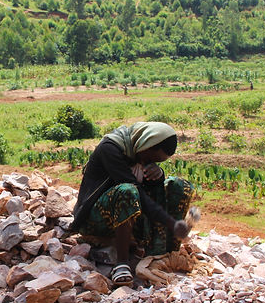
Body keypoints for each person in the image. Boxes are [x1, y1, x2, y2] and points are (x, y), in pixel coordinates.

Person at [71, 121, 195, 286]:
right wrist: (170, 222)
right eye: (150, 159)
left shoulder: (139, 153)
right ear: (145, 143)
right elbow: (135, 191)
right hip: (95, 218)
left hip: (129, 215)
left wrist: (157, 176)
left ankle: (164, 253)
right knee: (128, 191)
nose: (148, 163)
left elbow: (146, 191)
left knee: (180, 186)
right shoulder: (111, 148)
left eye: (156, 162)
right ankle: (121, 264)